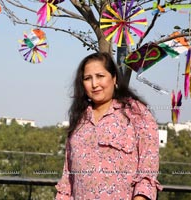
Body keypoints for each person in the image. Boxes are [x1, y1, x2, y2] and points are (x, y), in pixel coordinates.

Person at [55, 52, 162, 200]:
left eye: (100, 76)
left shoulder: (137, 113)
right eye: (87, 78)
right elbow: (67, 181)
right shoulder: (79, 120)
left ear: (114, 78)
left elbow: (147, 172)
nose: (94, 84)